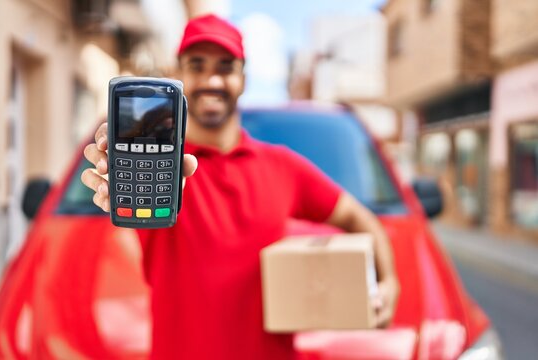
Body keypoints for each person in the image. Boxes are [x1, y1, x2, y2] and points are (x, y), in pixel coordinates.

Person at [81, 14, 399, 360]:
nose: (211, 79)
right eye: (197, 65)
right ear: (179, 75)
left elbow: (360, 219)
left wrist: (389, 282)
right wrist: (116, 173)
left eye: (225, 66)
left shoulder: (282, 166)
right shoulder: (169, 171)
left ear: (242, 79)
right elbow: (133, 204)